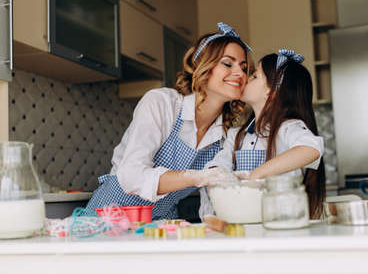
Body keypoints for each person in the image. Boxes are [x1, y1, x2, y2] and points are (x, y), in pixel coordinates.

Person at [84, 23, 252, 220]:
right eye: (227, 63)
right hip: (107, 221)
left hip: (158, 226)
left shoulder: (224, 136)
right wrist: (196, 177)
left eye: (244, 67)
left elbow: (209, 200)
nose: (240, 73)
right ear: (203, 66)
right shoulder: (163, 103)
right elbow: (131, 176)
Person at [200, 49, 325, 219]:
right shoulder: (237, 135)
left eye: (254, 76)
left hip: (281, 224)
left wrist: (255, 175)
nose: (245, 79)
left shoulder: (288, 128)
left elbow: (311, 149)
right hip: (244, 223)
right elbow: (219, 166)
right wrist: (217, 174)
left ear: (271, 92)